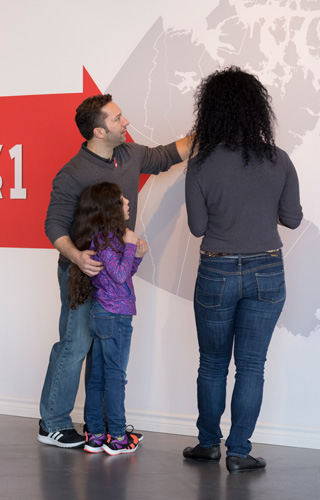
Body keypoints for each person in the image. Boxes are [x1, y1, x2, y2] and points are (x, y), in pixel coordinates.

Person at [38, 94, 192, 448]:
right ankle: (53, 423)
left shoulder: (130, 155)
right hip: (81, 273)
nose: (126, 123)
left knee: (103, 355)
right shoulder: (72, 173)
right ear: (98, 130)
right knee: (75, 346)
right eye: (118, 119)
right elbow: (53, 225)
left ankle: (102, 427)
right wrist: (77, 257)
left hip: (112, 277)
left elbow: (170, 154)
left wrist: (214, 124)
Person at [182, 66, 303, 473]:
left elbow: (198, 228)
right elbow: (293, 218)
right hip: (267, 270)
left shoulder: (199, 165)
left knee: (212, 363)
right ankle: (238, 452)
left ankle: (207, 444)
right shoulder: (279, 159)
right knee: (252, 365)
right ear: (257, 110)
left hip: (216, 271)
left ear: (210, 111)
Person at [67, 182, 147, 455]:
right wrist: (129, 245)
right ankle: (117, 436)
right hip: (116, 317)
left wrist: (136, 255)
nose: (128, 204)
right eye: (123, 201)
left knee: (99, 376)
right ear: (111, 208)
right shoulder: (106, 240)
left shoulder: (105, 240)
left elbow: (122, 275)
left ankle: (95, 434)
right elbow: (120, 275)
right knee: (115, 377)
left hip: (104, 314)